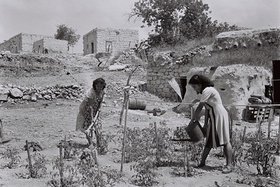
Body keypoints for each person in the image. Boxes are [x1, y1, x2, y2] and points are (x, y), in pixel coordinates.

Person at [189, 74, 233, 174]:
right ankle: (202, 163)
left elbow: (200, 107)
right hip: (214, 115)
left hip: (219, 115)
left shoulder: (207, 90)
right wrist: (205, 124)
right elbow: (208, 110)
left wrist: (193, 119)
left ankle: (229, 165)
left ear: (200, 84)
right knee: (209, 139)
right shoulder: (207, 92)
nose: (195, 89)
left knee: (225, 140)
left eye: (195, 87)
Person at [76, 78, 106, 145]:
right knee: (87, 128)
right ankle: (90, 143)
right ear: (95, 86)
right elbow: (90, 107)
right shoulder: (91, 93)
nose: (99, 88)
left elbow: (100, 101)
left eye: (101, 87)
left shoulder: (102, 92)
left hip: (95, 110)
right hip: (85, 110)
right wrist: (92, 118)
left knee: (97, 127)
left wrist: (99, 108)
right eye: (97, 86)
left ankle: (99, 143)